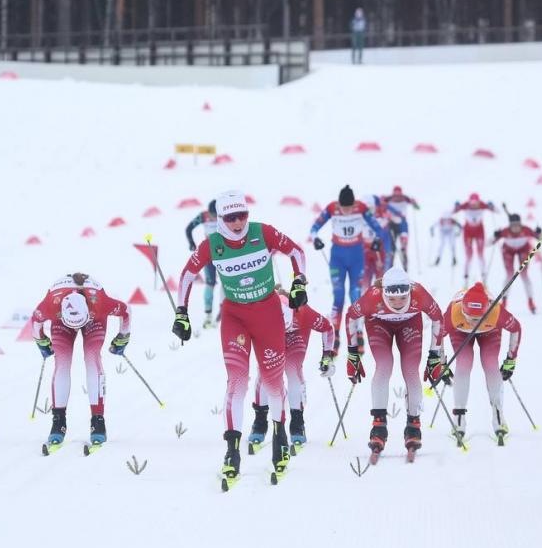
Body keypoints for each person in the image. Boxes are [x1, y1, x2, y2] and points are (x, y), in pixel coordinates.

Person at [173, 190, 308, 489]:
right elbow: (186, 274)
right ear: (219, 219)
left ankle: (280, 438)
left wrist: (299, 282)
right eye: (230, 218)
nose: (237, 223)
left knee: (273, 382)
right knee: (237, 382)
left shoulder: (264, 233)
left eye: (241, 216)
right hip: (234, 317)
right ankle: (232, 451)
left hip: (269, 314)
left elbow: (297, 252)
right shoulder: (212, 244)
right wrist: (181, 312)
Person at [345, 265, 444, 461]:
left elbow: (438, 318)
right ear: (384, 293)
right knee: (384, 366)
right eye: (392, 299)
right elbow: (350, 316)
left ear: (409, 291)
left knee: (410, 370)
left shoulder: (419, 293)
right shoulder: (372, 296)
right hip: (378, 324)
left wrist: (434, 356)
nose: (398, 303)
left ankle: (413, 423)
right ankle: (379, 424)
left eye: (402, 298)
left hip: (409, 325)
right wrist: (352, 353)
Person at [31, 273, 131, 453]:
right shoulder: (49, 306)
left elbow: (126, 312)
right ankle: (58, 421)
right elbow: (35, 322)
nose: (76, 328)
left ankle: (98, 422)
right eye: (74, 325)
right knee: (62, 363)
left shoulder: (101, 303)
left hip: (94, 317)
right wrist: (42, 342)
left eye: (79, 323)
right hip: (62, 320)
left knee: (92, 360)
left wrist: (122, 337)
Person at [431, 281, 522, 447]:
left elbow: (516, 328)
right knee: (463, 364)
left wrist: (510, 360)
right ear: (463, 311)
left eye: (479, 318)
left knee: (490, 364)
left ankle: (498, 413)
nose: (475, 323)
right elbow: (437, 336)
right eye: (471, 318)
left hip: (490, 331)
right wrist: (441, 364)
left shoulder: (496, 312)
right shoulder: (453, 314)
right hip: (460, 331)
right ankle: (459, 416)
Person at [250, 286, 336, 450]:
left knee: (293, 371)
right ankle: (260, 420)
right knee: (264, 373)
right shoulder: (260, 312)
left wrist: (327, 357)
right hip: (269, 334)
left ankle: (297, 422)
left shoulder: (303, 312)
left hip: (297, 334)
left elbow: (327, 328)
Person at [310, 185, 387, 340]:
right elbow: (314, 227)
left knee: (355, 294)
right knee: (338, 296)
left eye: (349, 208)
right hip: (337, 257)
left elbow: (377, 228)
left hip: (356, 257)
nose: (346, 211)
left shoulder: (361, 207)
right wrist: (315, 239)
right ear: (339, 204)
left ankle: (358, 332)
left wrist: (377, 240)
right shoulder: (332, 208)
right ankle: (336, 333)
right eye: (343, 208)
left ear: (353, 204)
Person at [492, 213, 542, 313]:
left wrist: (539, 233)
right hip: (508, 251)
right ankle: (504, 301)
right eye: (513, 225)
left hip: (523, 250)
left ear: (520, 224)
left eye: (517, 225)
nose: (515, 228)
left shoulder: (526, 230)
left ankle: (531, 302)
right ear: (510, 225)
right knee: (509, 275)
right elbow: (489, 243)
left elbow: (541, 239)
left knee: (524, 275)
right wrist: (495, 235)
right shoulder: (505, 231)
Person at [185, 199, 219, 327]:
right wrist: (191, 243)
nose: (213, 218)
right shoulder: (203, 216)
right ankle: (208, 316)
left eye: (215, 216)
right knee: (210, 283)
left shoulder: (224, 216)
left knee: (228, 282)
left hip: (224, 253)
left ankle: (225, 311)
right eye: (212, 215)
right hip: (209, 253)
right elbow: (189, 228)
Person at [454, 193, 497, 284]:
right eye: (472, 203)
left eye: (475, 203)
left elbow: (496, 211)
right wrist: (456, 206)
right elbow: (453, 211)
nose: (473, 205)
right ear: (469, 202)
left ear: (478, 201)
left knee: (480, 254)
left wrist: (492, 206)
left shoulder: (482, 205)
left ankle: (484, 276)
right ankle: (465, 278)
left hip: (479, 233)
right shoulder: (465, 205)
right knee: (469, 256)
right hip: (468, 233)